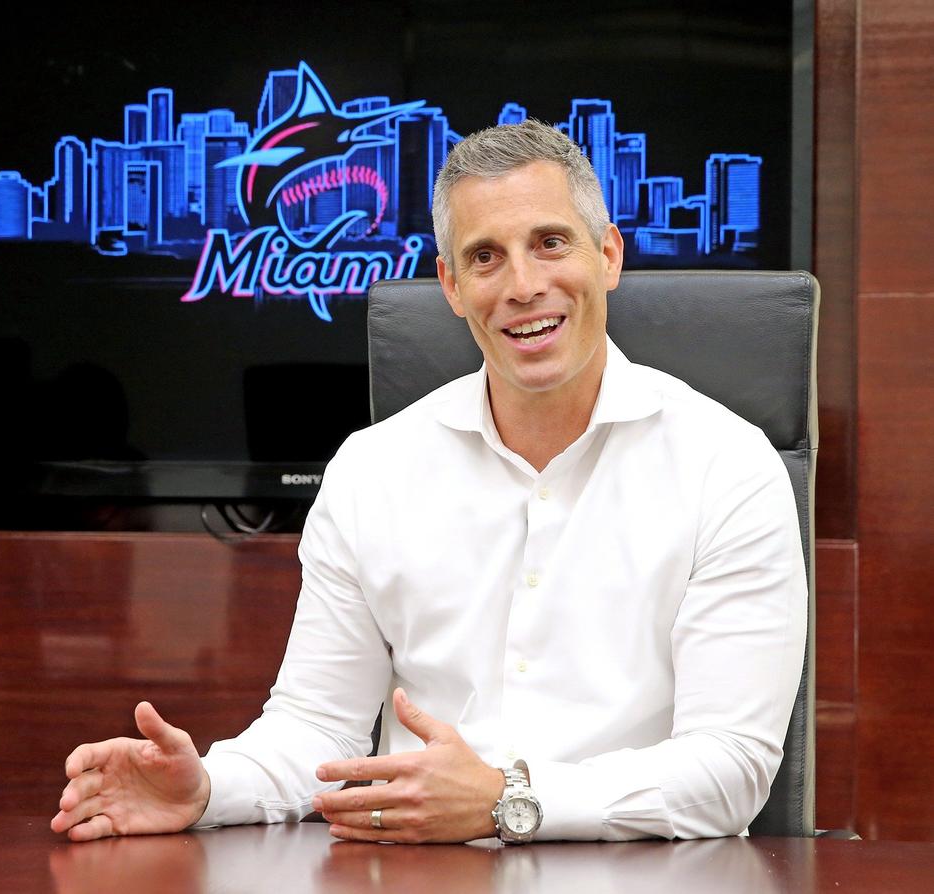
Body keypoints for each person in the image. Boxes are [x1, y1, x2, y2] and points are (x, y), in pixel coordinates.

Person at [51, 119, 807, 845]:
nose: (522, 285)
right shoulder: (373, 469)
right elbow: (316, 728)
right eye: (485, 257)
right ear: (449, 284)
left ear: (608, 255)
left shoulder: (728, 468)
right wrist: (206, 790)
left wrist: (507, 802)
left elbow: (729, 769)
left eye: (550, 244)